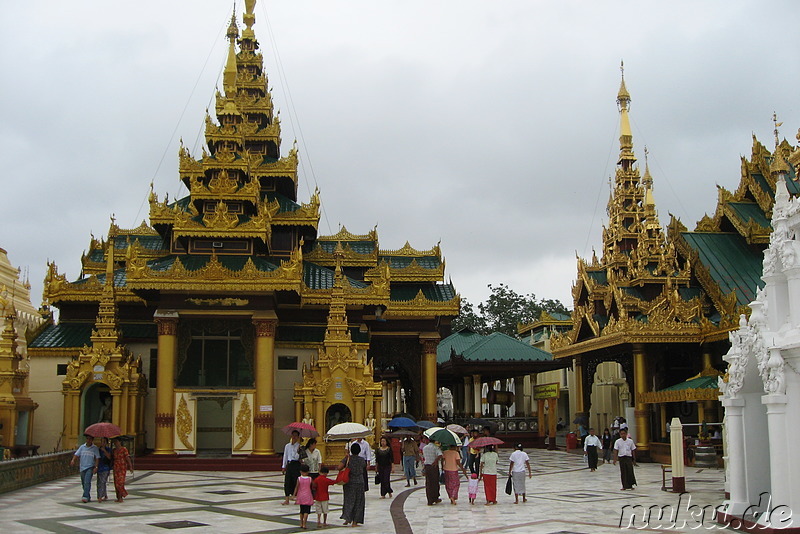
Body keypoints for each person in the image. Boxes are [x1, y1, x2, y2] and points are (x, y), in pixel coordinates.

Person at [338, 442, 367, 526]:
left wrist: (346, 460)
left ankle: (347, 518)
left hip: (349, 482)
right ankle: (355, 521)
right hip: (360, 482)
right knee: (359, 502)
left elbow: (339, 467)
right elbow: (364, 467)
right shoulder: (362, 460)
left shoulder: (348, 459)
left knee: (348, 500)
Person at [70, 434, 100, 503]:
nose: (88, 440)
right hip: (82, 467)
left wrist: (96, 467)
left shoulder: (94, 448)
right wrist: (73, 460)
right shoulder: (82, 447)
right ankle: (88, 495)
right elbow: (76, 454)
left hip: (90, 467)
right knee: (84, 482)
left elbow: (97, 458)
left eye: (90, 439)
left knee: (87, 482)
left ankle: (85, 496)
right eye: (87, 439)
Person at [281, 430, 302, 505]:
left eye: (296, 436)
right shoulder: (287, 446)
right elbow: (285, 456)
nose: (294, 437)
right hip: (289, 464)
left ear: (298, 437)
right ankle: (287, 499)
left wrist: (297, 451)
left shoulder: (299, 446)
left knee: (295, 481)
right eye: (293, 435)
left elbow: (297, 457)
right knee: (287, 481)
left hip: (296, 464)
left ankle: (296, 497)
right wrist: (284, 466)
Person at [421, 436, 443, 505]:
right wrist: (436, 461)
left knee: (428, 483)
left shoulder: (425, 448)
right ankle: (435, 497)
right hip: (434, 467)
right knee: (435, 482)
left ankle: (429, 499)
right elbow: (440, 455)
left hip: (427, 466)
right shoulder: (435, 447)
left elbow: (424, 458)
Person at [111, 436, 133, 502]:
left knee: (120, 482)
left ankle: (121, 496)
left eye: (116, 442)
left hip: (122, 467)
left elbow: (127, 458)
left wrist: (130, 466)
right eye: (114, 442)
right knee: (116, 483)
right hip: (116, 467)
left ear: (120, 442)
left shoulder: (124, 449)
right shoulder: (114, 450)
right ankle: (118, 497)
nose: (115, 443)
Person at [293, 464, 314, 529]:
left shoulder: (299, 478)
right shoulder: (310, 478)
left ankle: (301, 523)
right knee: (306, 511)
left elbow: (296, 487)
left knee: (301, 510)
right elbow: (313, 486)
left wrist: (294, 495)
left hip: (301, 495)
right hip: (308, 495)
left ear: (300, 471)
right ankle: (305, 523)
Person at [96, 437, 113, 502]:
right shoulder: (98, 450)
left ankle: (100, 496)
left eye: (104, 442)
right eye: (101, 442)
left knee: (103, 481)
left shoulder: (108, 450)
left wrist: (105, 451)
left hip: (106, 468)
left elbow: (109, 457)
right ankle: (104, 494)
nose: (102, 443)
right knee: (99, 482)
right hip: (100, 467)